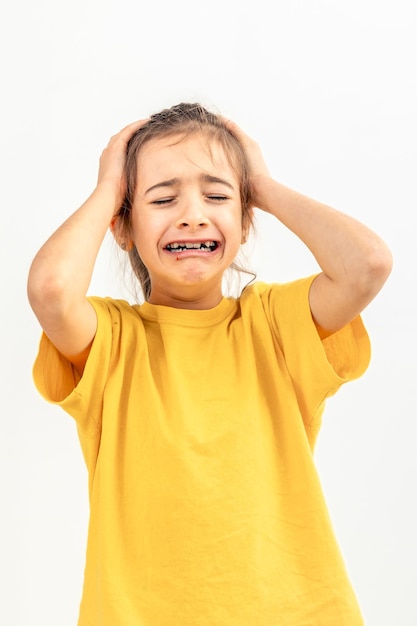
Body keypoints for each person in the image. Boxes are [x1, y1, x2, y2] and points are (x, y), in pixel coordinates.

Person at [27, 102, 392, 626]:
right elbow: (51, 289)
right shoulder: (112, 342)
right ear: (123, 226)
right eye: (163, 197)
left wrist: (261, 185)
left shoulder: (273, 325)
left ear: (245, 221)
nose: (192, 213)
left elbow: (368, 265)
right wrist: (108, 191)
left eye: (217, 195)